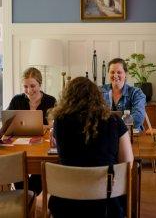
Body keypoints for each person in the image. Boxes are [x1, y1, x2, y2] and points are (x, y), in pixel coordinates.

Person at [48, 77, 134, 218]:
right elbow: (128, 163)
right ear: (97, 97)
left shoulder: (60, 122)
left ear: (67, 98)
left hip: (67, 203)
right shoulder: (115, 121)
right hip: (106, 202)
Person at [7, 67, 56, 195]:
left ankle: (28, 195)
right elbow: (7, 122)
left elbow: (52, 126)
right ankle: (24, 196)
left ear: (40, 84)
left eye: (32, 86)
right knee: (13, 164)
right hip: (19, 144)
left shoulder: (50, 101)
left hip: (41, 145)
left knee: (41, 168)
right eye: (25, 86)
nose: (29, 91)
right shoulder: (17, 100)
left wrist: (37, 126)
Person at [101, 58, 146, 131]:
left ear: (125, 74)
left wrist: (114, 126)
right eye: (112, 72)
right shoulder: (99, 91)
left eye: (119, 72)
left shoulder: (136, 93)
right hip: (106, 135)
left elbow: (138, 117)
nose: (115, 75)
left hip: (131, 135)